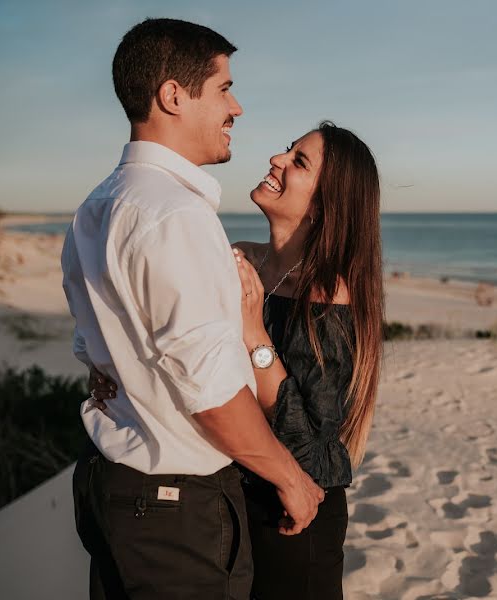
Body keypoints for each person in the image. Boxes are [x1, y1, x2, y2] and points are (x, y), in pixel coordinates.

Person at [62, 19, 323, 599]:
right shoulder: (174, 213)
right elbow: (209, 389)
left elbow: (94, 350)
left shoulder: (97, 204)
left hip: (111, 482)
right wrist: (290, 478)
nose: (237, 107)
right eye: (224, 87)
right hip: (170, 507)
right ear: (173, 96)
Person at [91, 121, 384, 599]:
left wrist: (254, 332)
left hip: (296, 517)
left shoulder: (330, 295)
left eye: (299, 161)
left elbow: (309, 448)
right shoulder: (238, 258)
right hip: (227, 500)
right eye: (288, 149)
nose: (277, 159)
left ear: (326, 204)